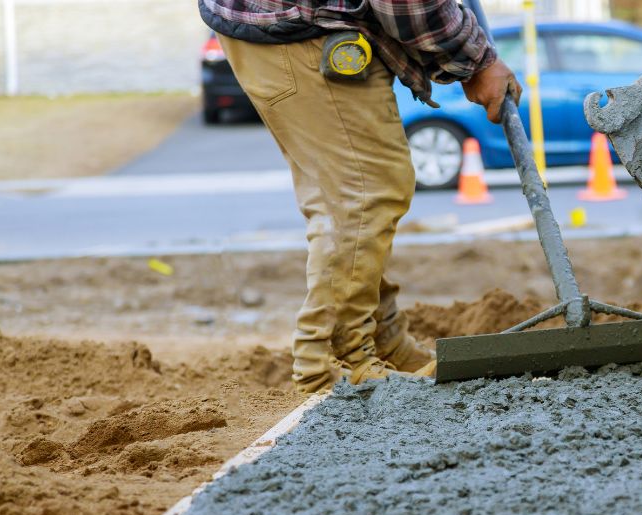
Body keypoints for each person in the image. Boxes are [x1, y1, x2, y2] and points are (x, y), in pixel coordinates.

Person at [199, 0, 522, 393]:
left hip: (282, 22)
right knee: (364, 193)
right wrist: (477, 60)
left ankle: (381, 342)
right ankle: (337, 363)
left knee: (343, 193)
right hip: (303, 32)